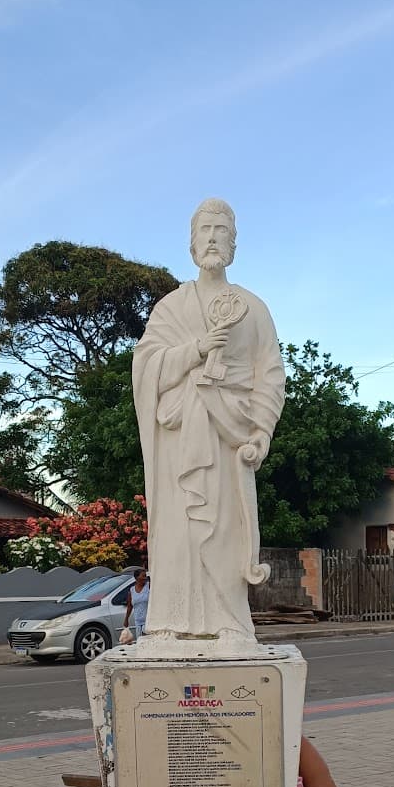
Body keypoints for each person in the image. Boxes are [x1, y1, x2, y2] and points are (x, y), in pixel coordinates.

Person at [132, 199, 285, 645]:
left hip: (228, 436)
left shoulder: (252, 308)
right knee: (178, 532)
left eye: (222, 229)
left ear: (233, 244)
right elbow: (146, 367)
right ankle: (168, 621)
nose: (213, 237)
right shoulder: (170, 308)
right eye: (206, 229)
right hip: (180, 440)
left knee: (223, 530)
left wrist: (261, 431)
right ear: (192, 242)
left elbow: (270, 375)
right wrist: (196, 350)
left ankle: (230, 622)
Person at [122, 566, 149, 639]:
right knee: (140, 642)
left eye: (145, 576)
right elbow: (130, 606)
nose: (145, 578)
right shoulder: (132, 590)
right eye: (143, 576)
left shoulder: (149, 586)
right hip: (138, 622)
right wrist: (126, 619)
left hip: (148, 622)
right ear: (136, 578)